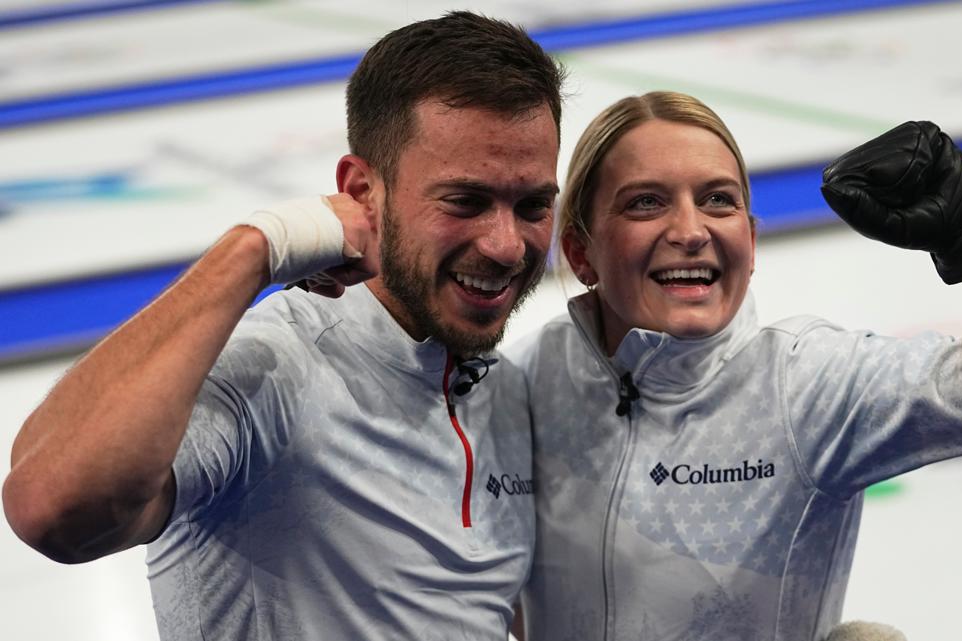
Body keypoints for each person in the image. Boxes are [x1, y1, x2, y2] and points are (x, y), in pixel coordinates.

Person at [2, 12, 564, 640]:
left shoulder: (506, 394)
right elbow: (53, 511)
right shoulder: (274, 367)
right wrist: (250, 251)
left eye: (533, 205)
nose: (507, 245)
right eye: (465, 201)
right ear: (361, 192)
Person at [508, 91, 962, 641]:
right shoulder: (525, 383)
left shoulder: (811, 386)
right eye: (646, 202)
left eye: (718, 200)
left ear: (750, 243)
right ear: (579, 251)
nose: (691, 229)